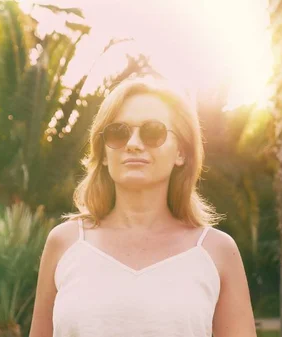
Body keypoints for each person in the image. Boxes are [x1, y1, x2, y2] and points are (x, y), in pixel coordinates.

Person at [29, 78, 257, 337]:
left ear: (181, 152)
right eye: (118, 132)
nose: (134, 143)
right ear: (103, 153)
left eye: (152, 132)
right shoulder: (64, 243)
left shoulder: (217, 251)